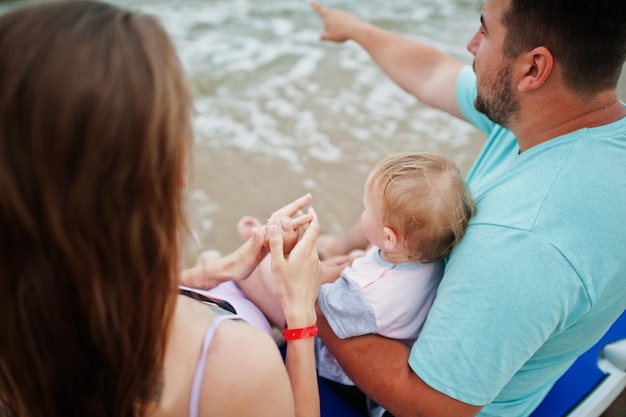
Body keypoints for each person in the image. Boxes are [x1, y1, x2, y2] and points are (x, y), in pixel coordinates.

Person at [0, 2, 321, 417]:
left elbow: (74, 283)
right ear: (168, 174)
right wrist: (299, 314)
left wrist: (209, 274)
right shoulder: (231, 366)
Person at [310, 0, 626, 416]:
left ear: (533, 69)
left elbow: (433, 406)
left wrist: (315, 299)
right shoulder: (559, 121)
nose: (471, 44)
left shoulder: (523, 241)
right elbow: (432, 73)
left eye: (485, 29)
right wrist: (354, 28)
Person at [315, 152, 475, 416]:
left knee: (265, 278)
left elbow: (316, 304)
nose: (363, 211)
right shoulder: (428, 260)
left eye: (367, 209)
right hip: (390, 326)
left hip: (340, 373)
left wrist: (316, 272)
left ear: (389, 238)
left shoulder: (366, 294)